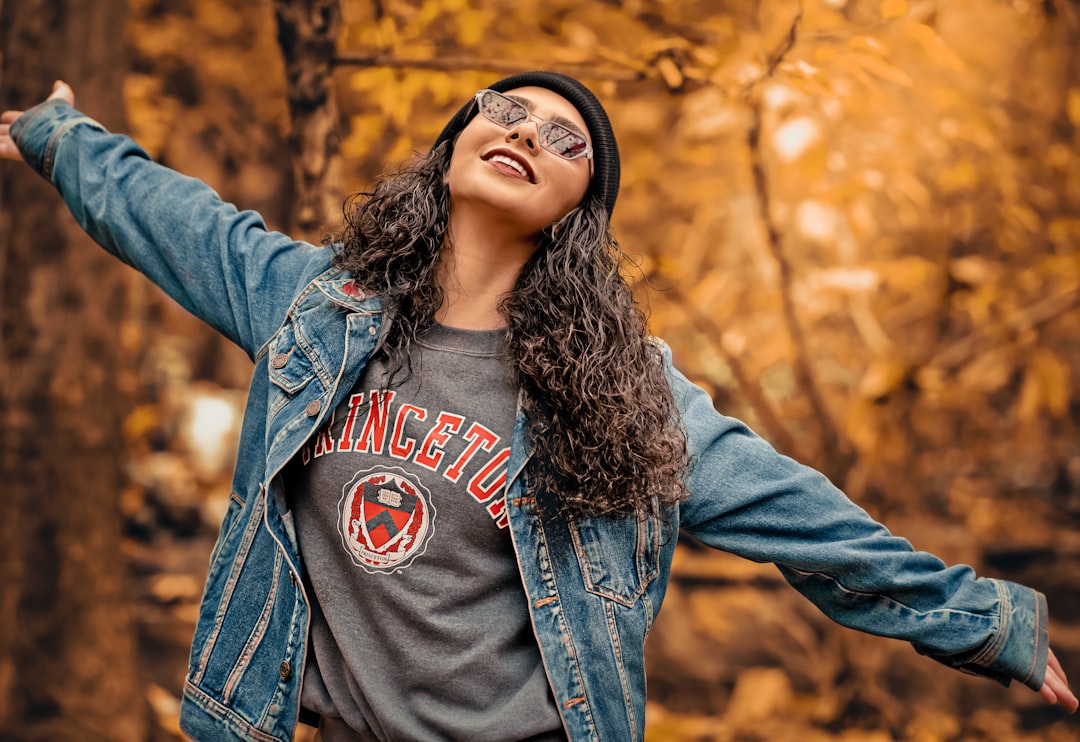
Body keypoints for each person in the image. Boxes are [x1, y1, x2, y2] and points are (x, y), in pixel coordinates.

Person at [1, 73, 1075, 742]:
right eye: (505, 113)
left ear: (579, 213)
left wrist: (985, 621)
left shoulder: (619, 392)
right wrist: (60, 136)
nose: (525, 133)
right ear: (454, 147)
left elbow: (800, 513)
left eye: (567, 141)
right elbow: (173, 217)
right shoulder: (315, 309)